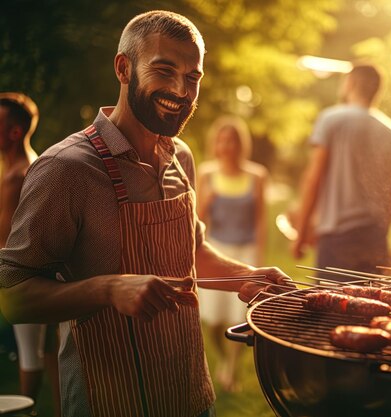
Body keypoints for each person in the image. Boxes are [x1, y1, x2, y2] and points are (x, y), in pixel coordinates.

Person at [0, 11, 291, 417]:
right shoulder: (67, 168)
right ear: (124, 68)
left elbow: (191, 253)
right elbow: (13, 298)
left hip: (189, 395)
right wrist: (108, 289)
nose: (181, 88)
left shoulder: (181, 157)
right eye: (164, 70)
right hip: (108, 402)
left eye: (193, 77)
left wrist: (248, 276)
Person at [291, 64, 391, 279]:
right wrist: (382, 234)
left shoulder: (331, 119)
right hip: (375, 237)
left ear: (350, 83)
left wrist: (300, 233)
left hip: (336, 238)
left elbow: (314, 178)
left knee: (330, 307)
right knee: (368, 308)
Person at [0, 92, 62, 417]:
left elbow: (7, 240)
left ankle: (25, 412)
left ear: (13, 131)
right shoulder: (33, 162)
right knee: (47, 348)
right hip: (41, 271)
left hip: (20, 276)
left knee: (29, 353)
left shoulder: (14, 178)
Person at [196, 115, 268, 392]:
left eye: (233, 140)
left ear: (242, 145)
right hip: (217, 249)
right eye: (222, 139)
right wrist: (206, 201)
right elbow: (197, 220)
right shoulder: (206, 173)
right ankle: (225, 359)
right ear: (215, 144)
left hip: (246, 251)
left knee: (240, 316)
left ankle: (231, 369)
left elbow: (261, 220)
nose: (227, 145)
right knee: (213, 321)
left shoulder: (257, 175)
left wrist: (259, 259)